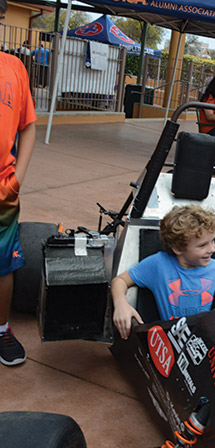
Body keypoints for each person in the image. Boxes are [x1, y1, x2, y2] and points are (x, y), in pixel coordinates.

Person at [111, 205, 215, 340]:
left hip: (212, 340)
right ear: (178, 248)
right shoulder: (159, 265)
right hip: (176, 344)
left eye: (212, 241)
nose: (212, 249)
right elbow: (120, 281)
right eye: (202, 245)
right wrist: (121, 304)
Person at [0, 0, 37, 367]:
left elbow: (27, 124)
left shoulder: (13, 67)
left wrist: (18, 177)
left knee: (3, 265)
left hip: (2, 189)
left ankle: (1, 329)